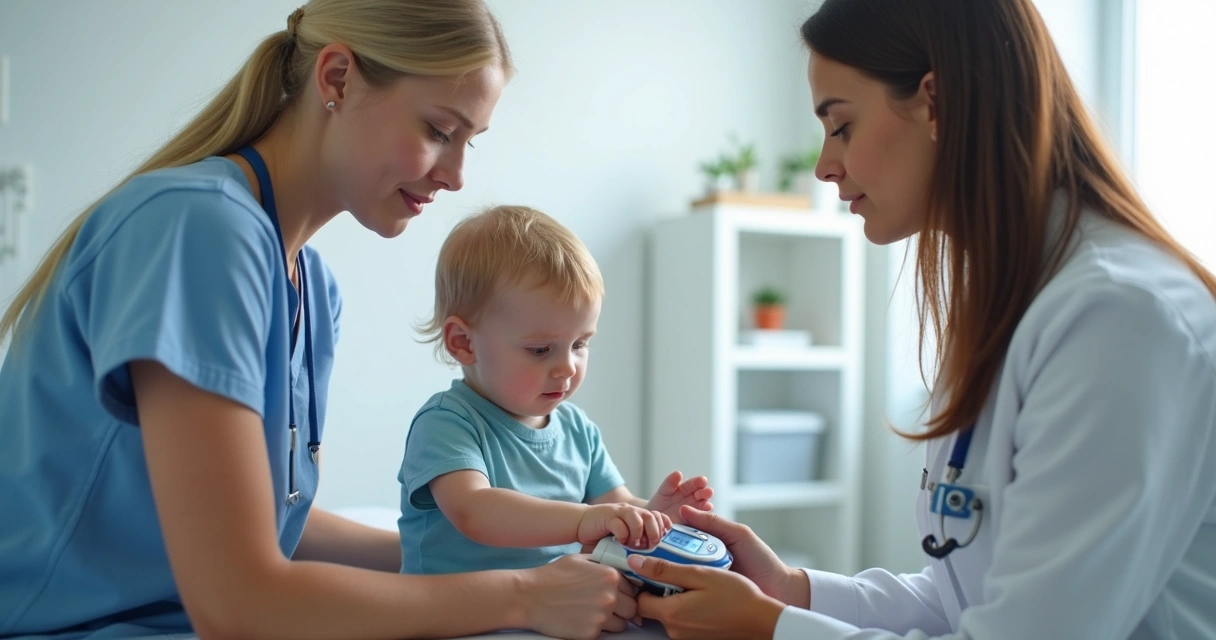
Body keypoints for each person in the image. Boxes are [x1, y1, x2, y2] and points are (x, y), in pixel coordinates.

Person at [0, 2, 640, 638]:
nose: (455, 177)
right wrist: (522, 596)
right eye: (439, 131)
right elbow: (238, 601)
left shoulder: (311, 286)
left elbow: (281, 526)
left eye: (468, 142)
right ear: (336, 79)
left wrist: (460, 559)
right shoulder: (195, 230)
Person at [627, 0, 1216, 638]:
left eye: (841, 126)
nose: (824, 166)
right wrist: (789, 591)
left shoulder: (1118, 319)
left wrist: (773, 629)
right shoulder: (1018, 301)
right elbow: (965, 599)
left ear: (937, 103)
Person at [397, 205, 714, 575]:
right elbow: (475, 510)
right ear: (463, 342)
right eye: (540, 350)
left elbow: (616, 503)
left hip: (552, 601)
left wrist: (653, 516)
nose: (568, 367)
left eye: (580, 344)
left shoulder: (578, 430)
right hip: (455, 605)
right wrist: (584, 520)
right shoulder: (446, 423)